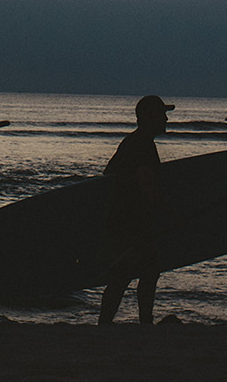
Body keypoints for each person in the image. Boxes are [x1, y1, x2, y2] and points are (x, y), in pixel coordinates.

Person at [98, 94, 172, 325]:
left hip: (124, 219)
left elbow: (108, 174)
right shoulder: (142, 144)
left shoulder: (134, 141)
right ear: (149, 117)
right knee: (138, 272)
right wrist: (161, 210)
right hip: (132, 221)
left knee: (132, 272)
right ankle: (138, 322)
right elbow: (145, 179)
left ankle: (115, 323)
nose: (166, 120)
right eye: (162, 114)